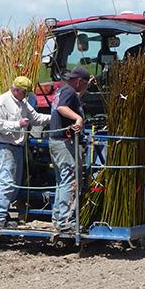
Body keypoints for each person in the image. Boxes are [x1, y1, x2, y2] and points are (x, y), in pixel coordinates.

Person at [0, 76, 51, 229]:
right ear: (16, 90)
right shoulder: (2, 101)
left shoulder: (23, 103)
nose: (27, 96)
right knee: (6, 182)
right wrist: (18, 124)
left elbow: (36, 118)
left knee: (14, 184)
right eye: (25, 92)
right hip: (5, 147)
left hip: (17, 147)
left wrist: (55, 117)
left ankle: (0, 217)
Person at [49, 66, 90, 232]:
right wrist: (78, 118)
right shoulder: (69, 91)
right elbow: (62, 108)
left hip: (56, 142)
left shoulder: (63, 90)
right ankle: (66, 222)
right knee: (70, 181)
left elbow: (70, 100)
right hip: (64, 143)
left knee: (62, 182)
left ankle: (58, 218)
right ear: (79, 81)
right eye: (85, 84)